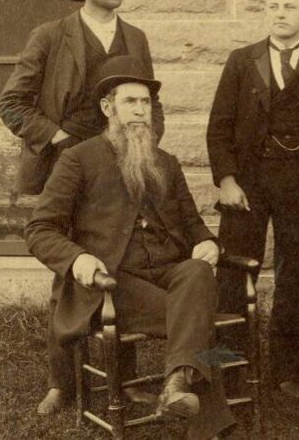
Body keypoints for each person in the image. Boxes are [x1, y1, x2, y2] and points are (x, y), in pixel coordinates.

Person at [24, 55, 234, 440]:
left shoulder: (166, 163)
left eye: (145, 103)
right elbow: (39, 229)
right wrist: (77, 258)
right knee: (196, 317)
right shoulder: (78, 159)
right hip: (113, 282)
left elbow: (192, 222)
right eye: (130, 102)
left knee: (198, 271)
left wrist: (207, 241)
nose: (140, 111)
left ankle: (176, 384)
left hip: (166, 273)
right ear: (108, 108)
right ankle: (203, 421)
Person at [0, 0, 164, 414]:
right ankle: (62, 381)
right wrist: (58, 140)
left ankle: (122, 379)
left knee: (122, 260)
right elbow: (12, 103)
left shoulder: (136, 38)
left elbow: (151, 105)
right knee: (68, 269)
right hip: (67, 165)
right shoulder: (51, 35)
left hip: (123, 168)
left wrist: (146, 147)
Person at [206, 0, 299, 398]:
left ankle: (287, 372)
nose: (280, 13)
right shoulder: (241, 60)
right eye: (273, 6)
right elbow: (219, 127)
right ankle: (228, 368)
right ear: (265, 12)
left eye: (289, 6)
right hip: (247, 185)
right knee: (233, 273)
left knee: (291, 276)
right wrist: (227, 180)